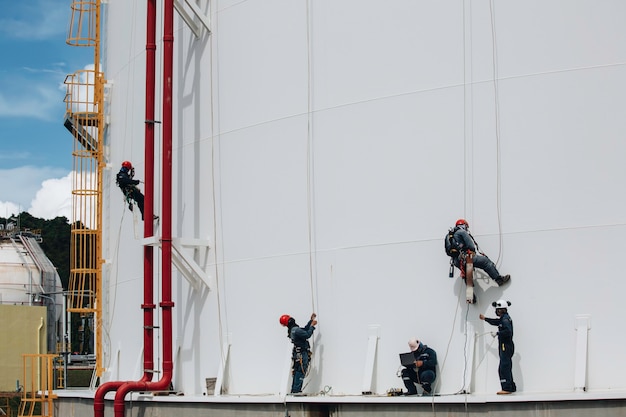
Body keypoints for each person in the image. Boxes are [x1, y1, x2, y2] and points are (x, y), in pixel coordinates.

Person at [449, 219, 510, 303]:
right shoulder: (462, 232)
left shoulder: (449, 236)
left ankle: (470, 297)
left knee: (468, 274)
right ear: (464, 225)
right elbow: (470, 245)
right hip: (467, 257)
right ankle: (498, 279)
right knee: (485, 262)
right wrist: (471, 252)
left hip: (456, 261)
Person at [479, 299, 517, 395]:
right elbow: (496, 322)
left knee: (503, 367)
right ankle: (511, 386)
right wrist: (485, 318)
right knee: (507, 366)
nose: (496, 311)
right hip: (507, 345)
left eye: (497, 310)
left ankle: (506, 388)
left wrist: (498, 333)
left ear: (501, 309)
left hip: (505, 345)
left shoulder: (505, 319)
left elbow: (508, 331)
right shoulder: (504, 318)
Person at [279, 313, 317, 394]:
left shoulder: (293, 330)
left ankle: (295, 389)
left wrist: (311, 321)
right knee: (301, 370)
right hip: (302, 353)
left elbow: (304, 330)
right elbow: (307, 334)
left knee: (297, 370)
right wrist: (312, 327)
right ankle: (296, 390)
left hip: (298, 353)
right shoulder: (296, 330)